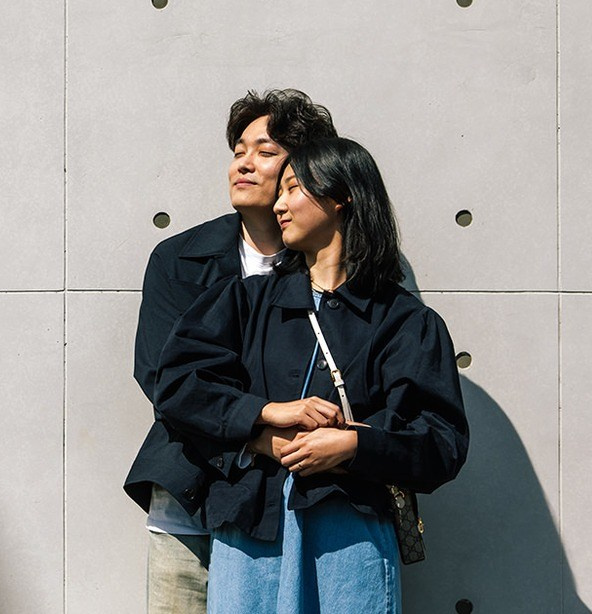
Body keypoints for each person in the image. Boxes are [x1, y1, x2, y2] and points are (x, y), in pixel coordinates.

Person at [156, 138, 469, 614]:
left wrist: (354, 445)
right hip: (250, 533)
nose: (278, 205)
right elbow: (178, 385)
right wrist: (262, 415)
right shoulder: (245, 302)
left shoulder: (405, 321)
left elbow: (441, 442)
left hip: (350, 535)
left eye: (293, 188)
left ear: (340, 196)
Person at [124, 90, 339, 614]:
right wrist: (257, 435)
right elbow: (164, 380)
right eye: (239, 149)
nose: (244, 163)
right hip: (189, 494)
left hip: (295, 499)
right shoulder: (180, 258)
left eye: (265, 152)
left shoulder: (330, 265)